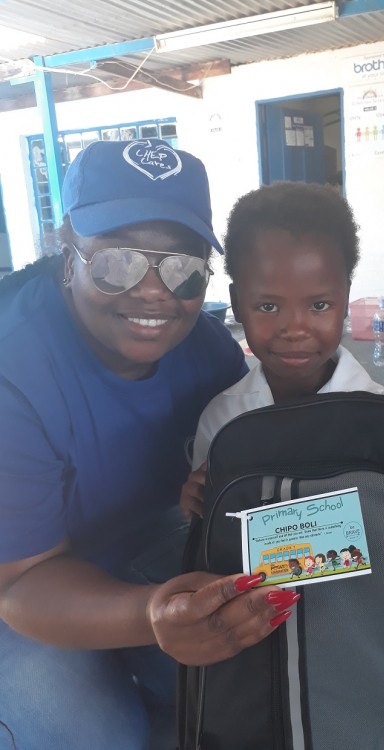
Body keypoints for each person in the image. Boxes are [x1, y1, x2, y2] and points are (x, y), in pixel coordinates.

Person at [0, 140, 298, 750]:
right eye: (118, 263)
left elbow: (263, 442)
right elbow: (20, 584)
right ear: (68, 255)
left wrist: (381, 411)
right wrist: (152, 616)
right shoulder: (14, 376)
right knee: (94, 736)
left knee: (257, 685)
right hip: (27, 584)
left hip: (149, 543)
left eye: (183, 268)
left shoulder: (206, 349)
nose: (154, 292)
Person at [183, 181, 384, 518]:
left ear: (345, 299)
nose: (295, 330)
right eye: (268, 306)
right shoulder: (223, 420)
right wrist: (196, 507)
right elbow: (216, 529)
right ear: (236, 303)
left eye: (319, 305)